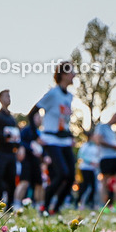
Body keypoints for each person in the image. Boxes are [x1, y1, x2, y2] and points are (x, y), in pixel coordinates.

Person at [32, 62, 76, 215]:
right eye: (71, 72)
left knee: (71, 176)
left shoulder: (69, 96)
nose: (74, 75)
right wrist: (36, 136)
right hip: (51, 140)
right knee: (61, 173)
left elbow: (64, 121)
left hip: (65, 140)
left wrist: (70, 135)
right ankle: (44, 205)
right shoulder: (53, 94)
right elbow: (32, 113)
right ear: (63, 74)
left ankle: (55, 208)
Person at [93, 113, 116, 209]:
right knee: (105, 181)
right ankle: (103, 205)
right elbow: (98, 140)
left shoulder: (113, 131)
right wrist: (113, 146)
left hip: (115, 157)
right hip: (105, 157)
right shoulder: (102, 127)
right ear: (114, 117)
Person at [14, 112, 43, 206]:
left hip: (36, 162)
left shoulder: (39, 132)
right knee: (24, 183)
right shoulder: (26, 130)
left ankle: (39, 205)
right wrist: (30, 148)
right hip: (27, 160)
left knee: (39, 184)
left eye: (40, 118)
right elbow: (21, 142)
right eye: (38, 117)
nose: (40, 119)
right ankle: (17, 204)